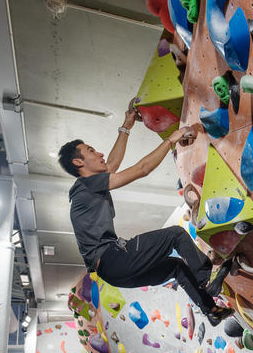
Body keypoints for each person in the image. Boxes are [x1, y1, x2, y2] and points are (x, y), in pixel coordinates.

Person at [59, 108, 234, 325]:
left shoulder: (86, 188)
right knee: (176, 235)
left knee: (175, 267)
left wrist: (126, 125)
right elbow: (142, 169)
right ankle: (205, 278)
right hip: (114, 259)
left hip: (112, 274)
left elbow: (111, 165)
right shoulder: (85, 185)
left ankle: (211, 310)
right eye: (91, 151)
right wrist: (172, 139)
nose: (100, 154)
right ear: (78, 162)